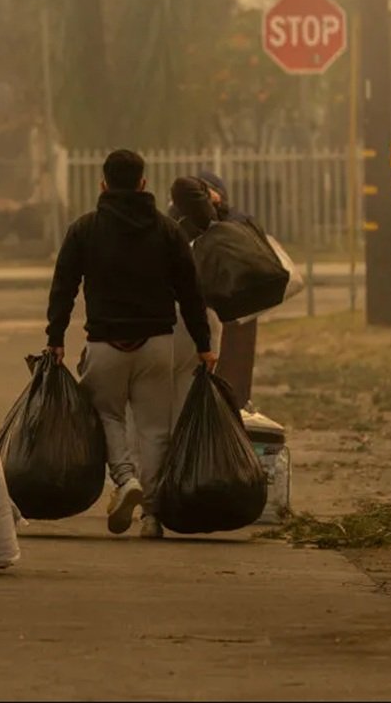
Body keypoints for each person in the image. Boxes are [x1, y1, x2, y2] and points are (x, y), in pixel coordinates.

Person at [44, 150, 214, 540]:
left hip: (104, 343)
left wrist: (55, 337)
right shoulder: (168, 231)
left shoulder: (84, 229)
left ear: (103, 184)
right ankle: (152, 515)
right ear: (143, 183)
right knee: (155, 429)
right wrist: (204, 345)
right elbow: (190, 292)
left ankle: (124, 479)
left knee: (108, 416)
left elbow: (63, 288)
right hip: (157, 343)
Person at [194, 170, 258, 408]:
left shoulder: (234, 223)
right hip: (214, 310)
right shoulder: (186, 222)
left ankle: (232, 410)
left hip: (234, 310)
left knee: (233, 375)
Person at [168, 177, 225, 414]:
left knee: (159, 406)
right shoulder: (219, 237)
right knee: (191, 405)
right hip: (206, 324)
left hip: (168, 324)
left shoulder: (167, 233)